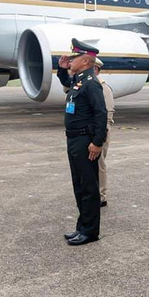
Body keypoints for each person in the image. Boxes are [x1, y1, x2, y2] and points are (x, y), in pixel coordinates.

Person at [57, 38, 107, 246]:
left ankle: (90, 231)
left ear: (86, 61)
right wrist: (61, 70)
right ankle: (82, 227)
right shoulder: (78, 81)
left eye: (75, 57)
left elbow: (101, 114)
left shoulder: (91, 83)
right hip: (74, 139)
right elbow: (66, 82)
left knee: (88, 187)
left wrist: (97, 142)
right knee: (79, 186)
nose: (71, 60)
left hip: (86, 140)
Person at [93, 58, 115, 207]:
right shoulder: (88, 85)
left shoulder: (103, 87)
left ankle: (101, 195)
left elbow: (107, 114)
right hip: (92, 130)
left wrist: (101, 137)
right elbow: (66, 88)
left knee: (99, 163)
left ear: (95, 69)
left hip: (101, 130)